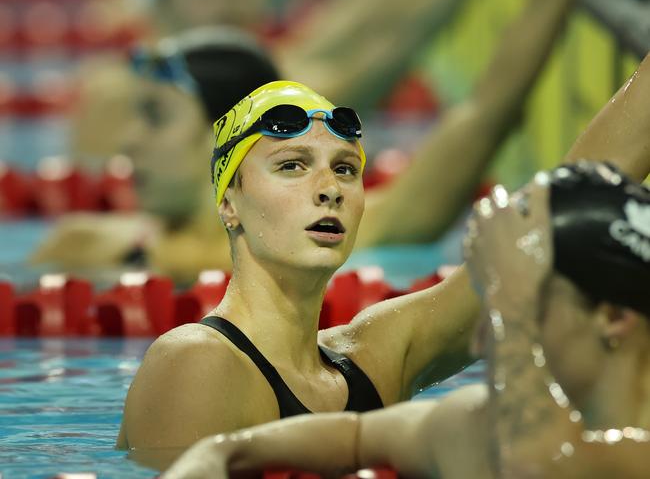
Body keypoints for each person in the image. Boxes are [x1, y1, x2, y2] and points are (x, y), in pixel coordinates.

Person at [117, 40, 650, 468]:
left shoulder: (373, 359)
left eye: (345, 169)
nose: (329, 188)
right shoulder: (194, 362)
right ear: (229, 202)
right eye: (292, 165)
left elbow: (566, 199)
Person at [34, 0, 578, 283]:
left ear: (228, 135)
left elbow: (486, 113)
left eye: (154, 118)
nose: (128, 144)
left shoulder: (343, 235)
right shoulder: (87, 248)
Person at [162, 161, 650, 479]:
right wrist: (222, 453)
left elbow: (539, 469)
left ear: (612, 318)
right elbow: (354, 435)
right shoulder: (475, 427)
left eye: (514, 308)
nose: (483, 339)